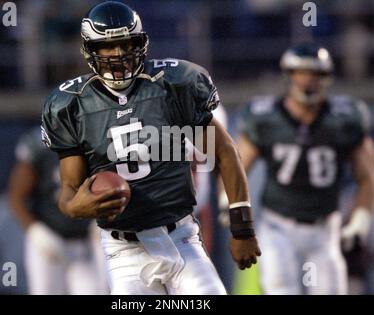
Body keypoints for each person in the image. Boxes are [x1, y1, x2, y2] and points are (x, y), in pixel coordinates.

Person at [41, 1, 261, 295]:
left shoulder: (174, 85)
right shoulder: (71, 104)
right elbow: (69, 188)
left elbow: (224, 152)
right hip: (124, 251)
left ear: (140, 44)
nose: (118, 55)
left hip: (182, 236)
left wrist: (242, 228)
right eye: (108, 47)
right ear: (91, 50)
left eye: (125, 44)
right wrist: (74, 206)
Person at [236, 42, 374, 294]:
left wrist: (361, 219)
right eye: (302, 73)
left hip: (325, 228)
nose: (308, 81)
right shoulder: (264, 117)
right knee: (281, 289)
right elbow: (236, 169)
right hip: (278, 226)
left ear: (326, 78)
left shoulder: (345, 118)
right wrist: (230, 202)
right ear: (289, 76)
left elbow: (368, 176)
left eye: (315, 74)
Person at [8, 127, 108, 295]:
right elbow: (16, 195)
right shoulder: (38, 145)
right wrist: (35, 231)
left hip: (84, 242)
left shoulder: (93, 135)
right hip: (49, 235)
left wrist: (101, 220)